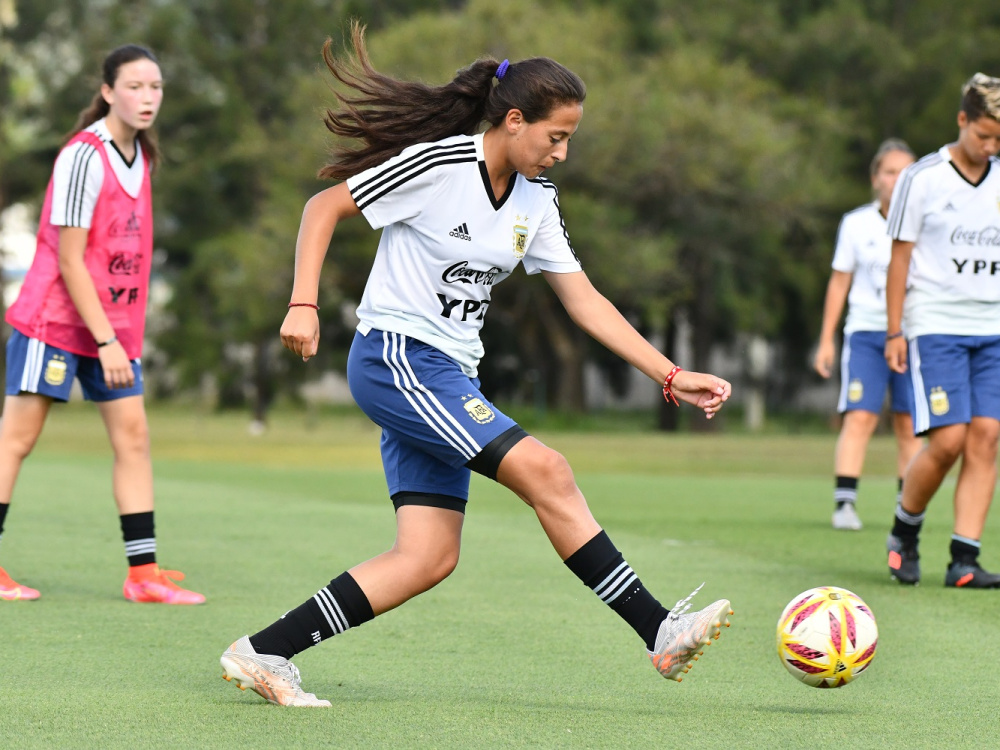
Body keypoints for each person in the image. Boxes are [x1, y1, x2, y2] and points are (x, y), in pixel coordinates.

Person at [220, 23, 733, 707]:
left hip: (447, 377)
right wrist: (303, 302)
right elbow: (324, 207)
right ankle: (658, 629)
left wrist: (668, 374)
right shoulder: (437, 167)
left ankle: (263, 652)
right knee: (548, 469)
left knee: (427, 557)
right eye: (555, 135)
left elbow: (584, 301)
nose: (563, 151)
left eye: (570, 138)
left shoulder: (535, 203)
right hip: (397, 358)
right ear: (514, 120)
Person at [0, 45, 204, 604]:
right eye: (135, 86)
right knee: (16, 440)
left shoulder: (142, 157)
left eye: (156, 87)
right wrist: (108, 340)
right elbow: (69, 259)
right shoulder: (82, 157)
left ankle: (143, 575)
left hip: (113, 330)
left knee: (133, 438)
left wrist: (118, 337)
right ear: (108, 91)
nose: (147, 98)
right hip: (57, 321)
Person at [884, 73, 1000, 588]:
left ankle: (964, 560)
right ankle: (904, 532)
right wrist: (894, 332)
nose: (991, 146)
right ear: (962, 120)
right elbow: (900, 259)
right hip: (936, 326)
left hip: (993, 326)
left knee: (988, 436)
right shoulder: (922, 177)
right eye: (984, 135)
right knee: (949, 439)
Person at [813, 140, 923, 531]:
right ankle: (845, 503)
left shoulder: (927, 221)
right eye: (890, 172)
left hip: (913, 335)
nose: (897, 180)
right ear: (876, 178)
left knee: (909, 422)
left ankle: (905, 506)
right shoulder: (856, 223)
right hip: (865, 333)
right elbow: (839, 282)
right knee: (859, 416)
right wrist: (827, 338)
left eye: (905, 172)